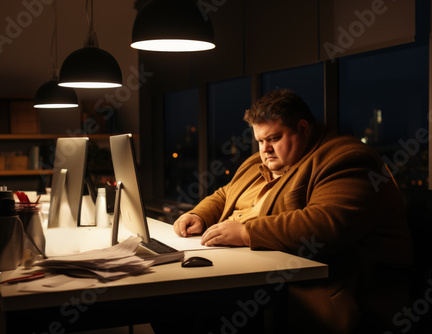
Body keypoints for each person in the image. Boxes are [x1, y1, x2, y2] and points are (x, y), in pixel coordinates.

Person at [172, 89, 414, 334]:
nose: (264, 149)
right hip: (248, 268)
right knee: (176, 305)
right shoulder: (259, 161)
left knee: (197, 312)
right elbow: (226, 193)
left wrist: (246, 233)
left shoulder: (346, 159)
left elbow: (325, 225)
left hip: (321, 287)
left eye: (274, 138)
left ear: (302, 128)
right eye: (260, 140)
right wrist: (200, 214)